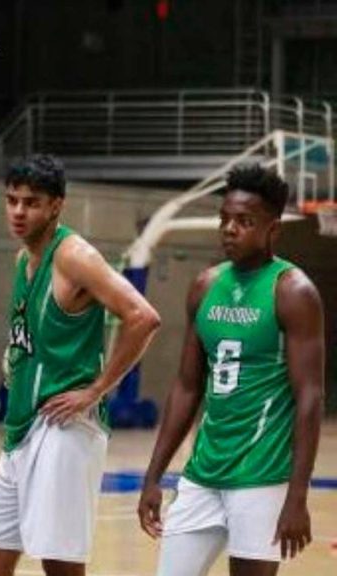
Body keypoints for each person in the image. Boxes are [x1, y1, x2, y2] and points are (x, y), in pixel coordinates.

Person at [0, 154, 162, 576]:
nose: (18, 211)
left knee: (59, 565)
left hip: (64, 428)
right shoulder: (23, 260)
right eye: (12, 200)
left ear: (56, 205)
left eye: (31, 203)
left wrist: (96, 389)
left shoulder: (75, 255)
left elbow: (143, 317)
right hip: (22, 425)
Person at [138, 165, 325, 576]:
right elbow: (187, 387)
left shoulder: (293, 292)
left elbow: (310, 397)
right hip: (203, 472)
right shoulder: (205, 286)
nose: (229, 229)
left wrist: (297, 496)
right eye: (224, 219)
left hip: (262, 474)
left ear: (273, 230)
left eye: (244, 221)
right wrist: (153, 475)